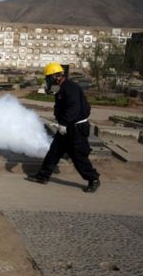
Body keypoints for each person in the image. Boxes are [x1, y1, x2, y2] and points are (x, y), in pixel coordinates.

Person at [27, 62, 101, 193]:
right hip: (66, 127)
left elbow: (74, 107)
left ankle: (93, 179)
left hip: (76, 129)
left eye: (49, 78)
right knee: (54, 152)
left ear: (56, 76)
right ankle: (43, 176)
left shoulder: (70, 87)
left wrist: (64, 123)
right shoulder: (62, 88)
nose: (48, 80)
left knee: (78, 156)